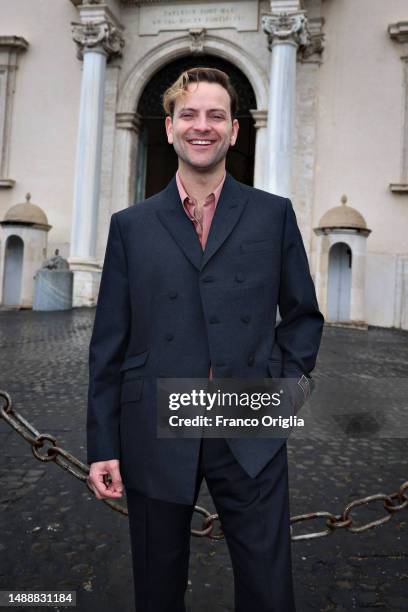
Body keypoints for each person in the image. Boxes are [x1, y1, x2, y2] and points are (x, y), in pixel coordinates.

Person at [87, 67, 324, 612]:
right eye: (189, 115)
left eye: (216, 115)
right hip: (153, 425)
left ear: (235, 131)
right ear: (168, 128)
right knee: (158, 586)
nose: (203, 126)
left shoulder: (273, 215)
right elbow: (109, 343)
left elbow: (303, 317)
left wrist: (280, 401)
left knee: (268, 590)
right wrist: (103, 443)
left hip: (245, 417)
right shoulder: (130, 225)